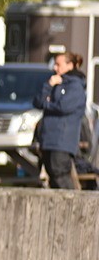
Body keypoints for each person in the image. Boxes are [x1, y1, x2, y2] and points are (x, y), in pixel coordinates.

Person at [33, 52, 87, 189]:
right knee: (52, 177)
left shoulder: (75, 86)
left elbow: (63, 107)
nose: (55, 68)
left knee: (60, 175)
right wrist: (49, 85)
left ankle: (73, 207)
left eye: (58, 64)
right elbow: (37, 101)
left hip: (62, 141)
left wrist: (47, 104)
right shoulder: (55, 82)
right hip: (48, 140)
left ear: (70, 65)